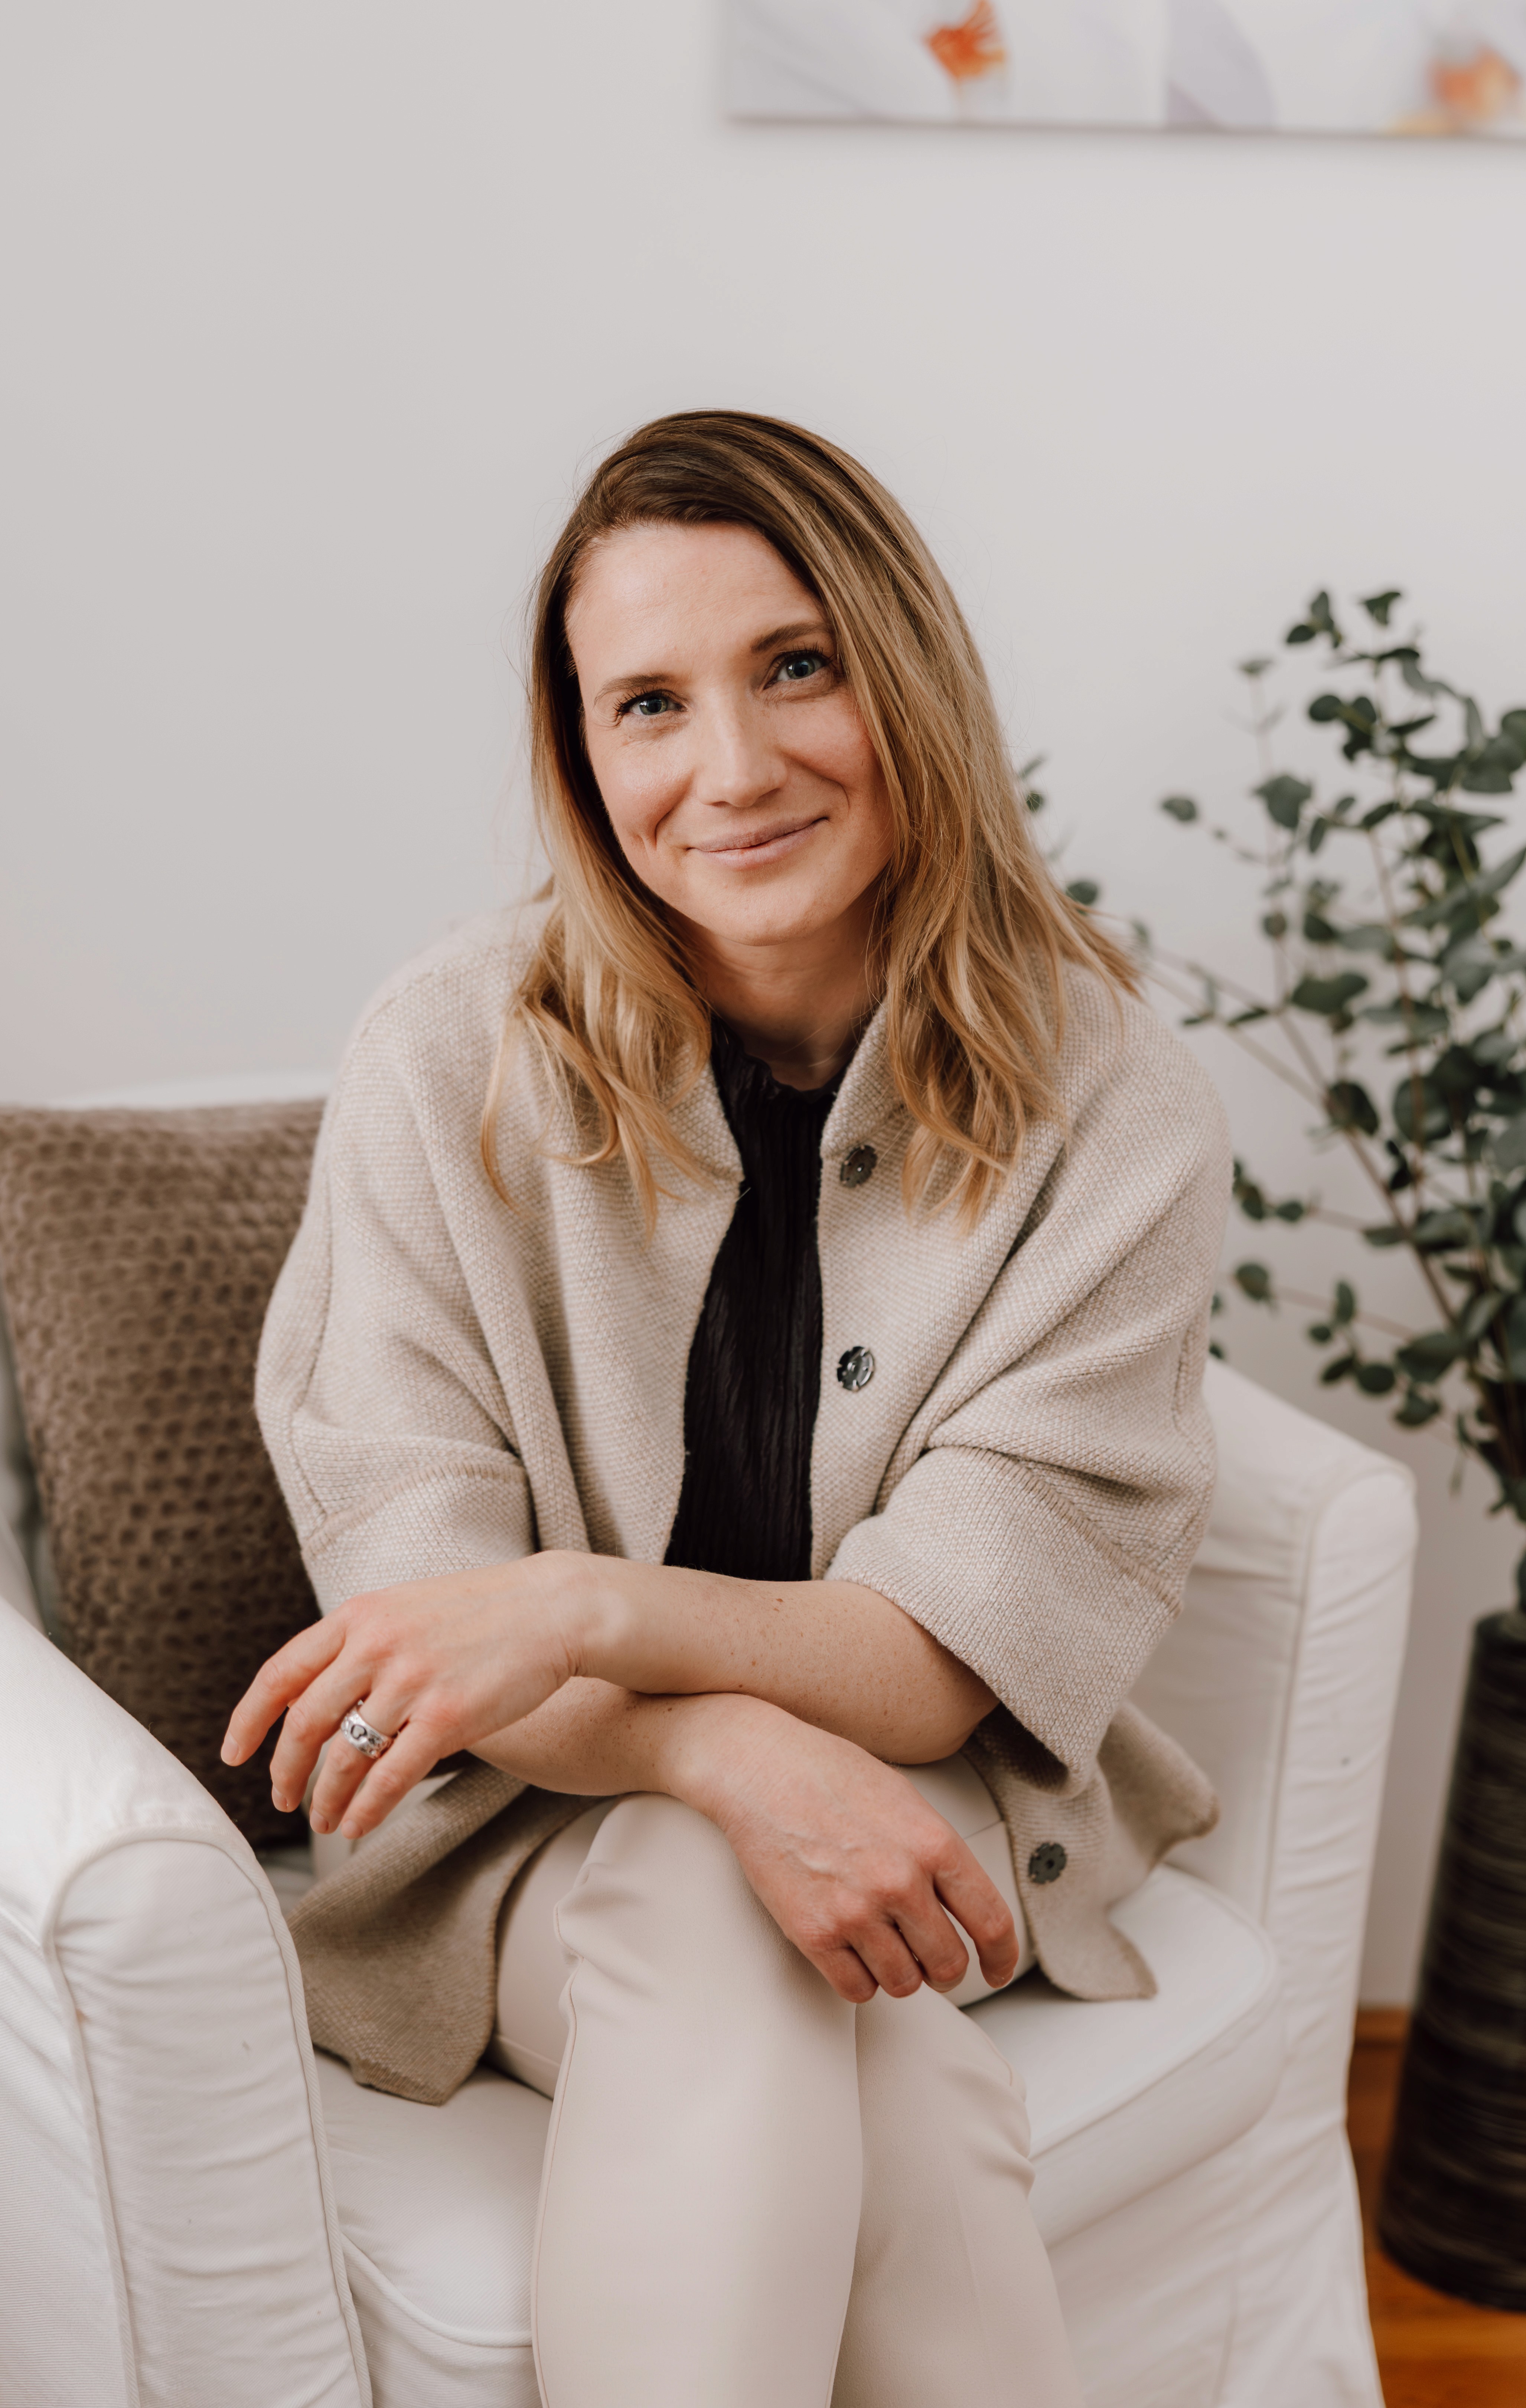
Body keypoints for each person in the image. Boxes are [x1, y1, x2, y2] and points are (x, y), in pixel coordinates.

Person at [226, 409, 1229, 2407]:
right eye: (649, 704)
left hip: (913, 1818)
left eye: (796, 666)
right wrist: (730, 1761)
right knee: (742, 1912)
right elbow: (438, 1649)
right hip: (516, 1840)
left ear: (904, 673)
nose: (733, 767)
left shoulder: (1110, 1098)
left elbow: (942, 1666)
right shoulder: (445, 1059)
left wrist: (586, 1605)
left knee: (859, 2046)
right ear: (585, 760)